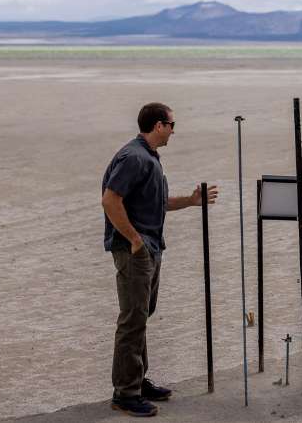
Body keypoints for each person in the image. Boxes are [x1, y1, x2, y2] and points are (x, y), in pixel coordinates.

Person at [101, 102, 218, 417]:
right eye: (172, 124)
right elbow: (110, 200)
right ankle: (125, 393)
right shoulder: (134, 157)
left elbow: (158, 202)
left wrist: (192, 202)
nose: (174, 131)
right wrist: (135, 239)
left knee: (142, 314)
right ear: (158, 125)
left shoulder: (149, 158)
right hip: (135, 251)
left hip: (151, 248)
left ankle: (137, 381)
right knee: (132, 318)